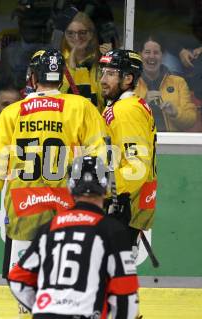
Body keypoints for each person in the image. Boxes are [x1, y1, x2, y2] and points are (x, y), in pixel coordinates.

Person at [0, 49, 106, 318]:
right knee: (65, 291)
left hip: (23, 213)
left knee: (26, 294)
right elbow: (101, 159)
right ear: (61, 77)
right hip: (68, 215)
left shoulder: (11, 113)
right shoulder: (81, 107)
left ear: (33, 76)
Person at [8, 155, 140, 318]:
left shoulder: (49, 228)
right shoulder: (112, 231)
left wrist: (43, 309)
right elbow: (126, 292)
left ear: (70, 188)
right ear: (106, 188)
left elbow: (17, 279)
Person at [99, 49, 157, 248]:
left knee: (113, 276)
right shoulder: (120, 106)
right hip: (123, 204)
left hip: (124, 206)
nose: (103, 79)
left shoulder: (127, 111)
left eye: (111, 74)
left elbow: (137, 167)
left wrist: (105, 191)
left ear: (128, 78)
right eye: (103, 72)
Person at [134, 36, 197, 132]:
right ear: (140, 55)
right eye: (147, 52)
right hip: (141, 143)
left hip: (171, 142)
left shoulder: (178, 82)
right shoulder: (130, 83)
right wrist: (143, 104)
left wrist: (175, 113)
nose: (152, 56)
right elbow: (122, 119)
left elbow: (191, 119)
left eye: (156, 52)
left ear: (162, 56)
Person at [59, 11, 107, 111]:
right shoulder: (57, 61)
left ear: (91, 34)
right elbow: (55, 99)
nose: (77, 38)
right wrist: (71, 69)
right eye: (70, 33)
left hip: (95, 122)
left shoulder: (100, 61)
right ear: (65, 35)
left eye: (82, 33)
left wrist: (108, 63)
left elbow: (106, 101)